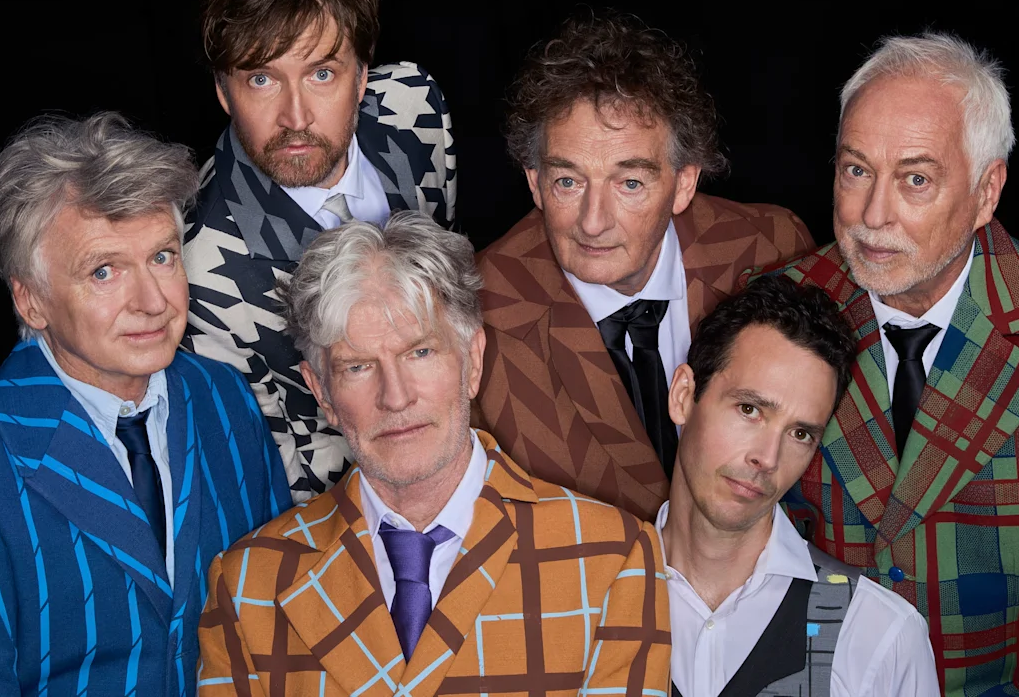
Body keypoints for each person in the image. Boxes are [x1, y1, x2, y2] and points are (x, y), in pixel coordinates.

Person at [745, 33, 1019, 697]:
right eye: (855, 170)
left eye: (915, 178)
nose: (872, 215)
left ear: (986, 190)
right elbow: (756, 563)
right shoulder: (777, 312)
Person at [0, 113, 291, 696]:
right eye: (104, 271)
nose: (152, 301)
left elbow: (278, 620)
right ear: (31, 301)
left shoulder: (224, 399)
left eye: (162, 257)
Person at [196, 212, 671, 697]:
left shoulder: (612, 555)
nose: (396, 397)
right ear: (322, 393)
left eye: (420, 353)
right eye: (358, 366)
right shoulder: (248, 583)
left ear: (474, 361)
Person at [476, 11, 813, 521]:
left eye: (629, 183)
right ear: (534, 181)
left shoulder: (773, 250)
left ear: (683, 184)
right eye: (568, 181)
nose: (592, 223)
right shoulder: (477, 308)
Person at [183, 0, 457, 503]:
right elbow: (298, 467)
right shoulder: (204, 270)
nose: (295, 116)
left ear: (363, 76)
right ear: (224, 92)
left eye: (322, 73)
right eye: (261, 78)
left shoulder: (415, 108)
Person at [661, 276, 938, 697]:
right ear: (684, 395)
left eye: (800, 434)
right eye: (750, 409)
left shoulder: (880, 636)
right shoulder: (583, 592)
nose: (767, 458)